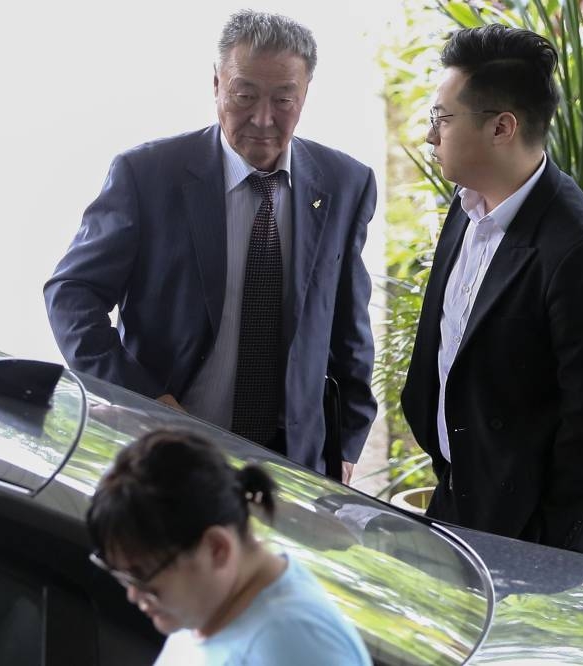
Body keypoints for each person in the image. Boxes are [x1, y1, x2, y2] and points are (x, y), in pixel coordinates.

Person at [45, 10, 377, 481]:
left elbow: (349, 326)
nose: (263, 119)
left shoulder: (345, 182)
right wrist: (138, 395)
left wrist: (346, 444)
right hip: (167, 442)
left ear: (305, 95)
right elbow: (70, 294)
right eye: (244, 96)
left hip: (292, 462)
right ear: (217, 84)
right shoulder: (148, 175)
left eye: (284, 99)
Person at [401, 25, 583, 555]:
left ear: (501, 128)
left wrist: (546, 543)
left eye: (441, 117)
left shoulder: (582, 252)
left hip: (530, 529)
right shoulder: (466, 207)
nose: (429, 135)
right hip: (459, 494)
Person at [86, 429, 372, 666]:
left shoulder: (296, 647)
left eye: (142, 576)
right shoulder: (209, 606)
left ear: (216, 549)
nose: (134, 595)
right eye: (122, 574)